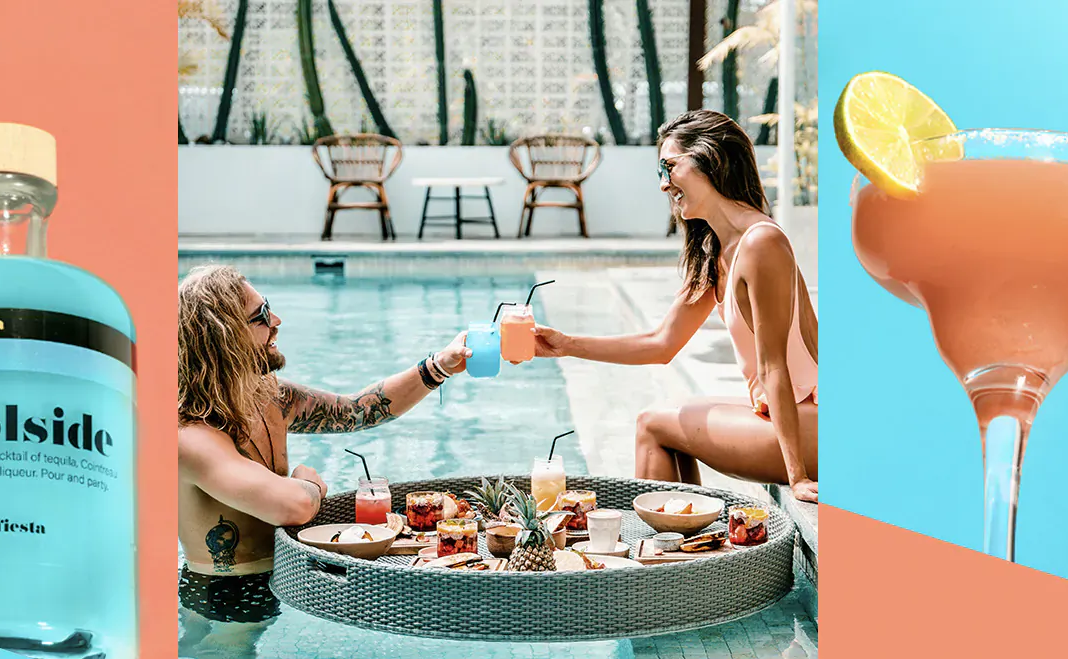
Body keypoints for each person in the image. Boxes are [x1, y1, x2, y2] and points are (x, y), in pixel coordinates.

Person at [528, 110, 819, 502]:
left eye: (670, 167)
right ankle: (689, 547)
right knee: (667, 416)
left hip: (819, 425)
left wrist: (796, 476)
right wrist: (564, 345)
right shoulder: (716, 250)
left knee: (653, 425)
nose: (664, 185)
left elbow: (774, 366)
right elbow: (661, 343)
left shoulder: (760, 243)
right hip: (790, 416)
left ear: (711, 159)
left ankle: (670, 557)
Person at [177, 264, 469, 627]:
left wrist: (438, 366)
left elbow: (355, 411)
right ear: (227, 338)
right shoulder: (190, 436)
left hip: (283, 577)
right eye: (262, 316)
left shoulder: (269, 395)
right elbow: (294, 506)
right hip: (222, 597)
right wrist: (308, 482)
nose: (277, 320)